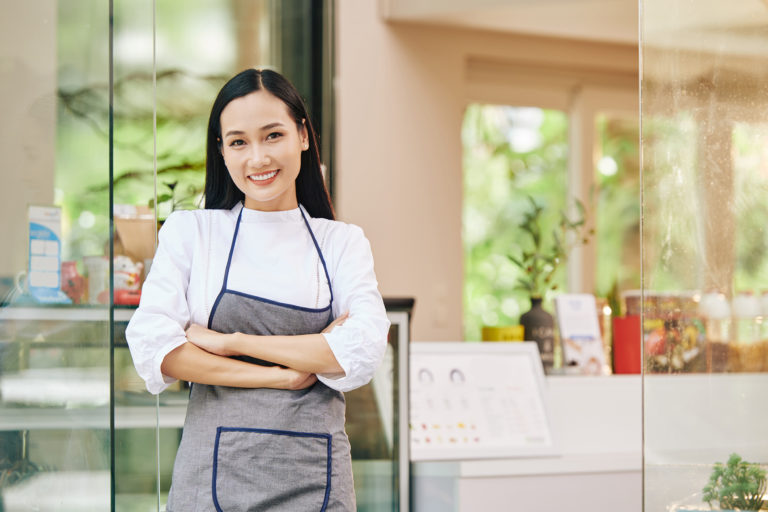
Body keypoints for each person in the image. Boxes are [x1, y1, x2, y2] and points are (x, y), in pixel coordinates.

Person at [125, 68, 390, 511]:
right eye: (238, 142)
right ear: (222, 152)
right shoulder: (194, 234)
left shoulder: (340, 242)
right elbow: (155, 347)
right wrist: (284, 375)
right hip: (211, 476)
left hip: (316, 481)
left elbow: (361, 350)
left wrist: (231, 343)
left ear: (302, 135)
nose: (257, 158)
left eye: (272, 135)